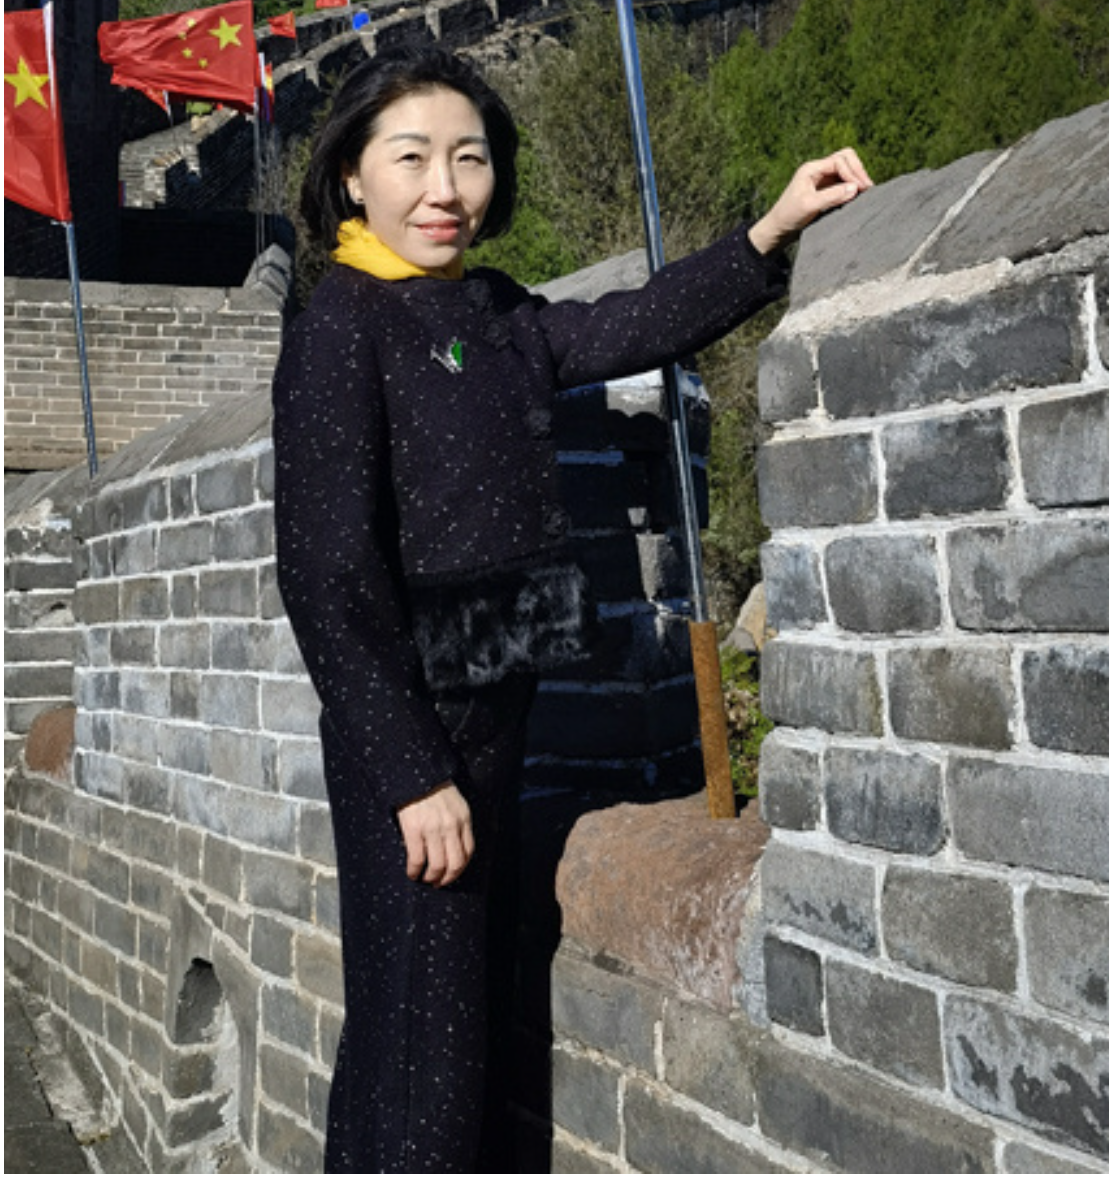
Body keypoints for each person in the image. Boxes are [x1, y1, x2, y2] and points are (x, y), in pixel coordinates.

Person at [272, 42, 871, 1174]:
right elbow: (324, 570)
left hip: (494, 710)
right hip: (417, 733)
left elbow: (625, 326)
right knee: (422, 1041)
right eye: (412, 157)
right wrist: (413, 773)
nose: (445, 187)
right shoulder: (342, 324)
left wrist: (765, 235)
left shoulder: (489, 308)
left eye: (470, 157)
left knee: (437, 1022)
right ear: (352, 173)